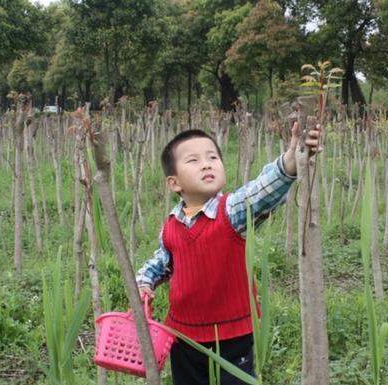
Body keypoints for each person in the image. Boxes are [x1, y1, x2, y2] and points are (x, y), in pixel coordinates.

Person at [136, 121, 321, 385]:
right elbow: (163, 260)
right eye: (193, 160)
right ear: (174, 183)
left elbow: (261, 192)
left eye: (213, 157)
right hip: (183, 335)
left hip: (233, 334)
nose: (206, 164)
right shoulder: (171, 224)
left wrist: (290, 160)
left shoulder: (231, 211)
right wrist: (144, 281)